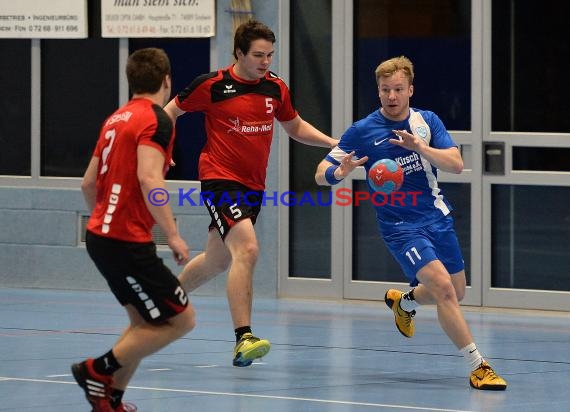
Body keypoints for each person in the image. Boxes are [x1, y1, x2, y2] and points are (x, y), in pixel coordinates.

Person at [315, 56, 507, 390]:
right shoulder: (362, 131)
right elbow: (320, 173)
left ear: (410, 90)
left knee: (456, 291)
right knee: (444, 289)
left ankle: (403, 302)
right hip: (399, 226)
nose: (392, 95)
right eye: (385, 89)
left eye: (398, 89)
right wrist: (339, 172)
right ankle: (479, 366)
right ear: (378, 92)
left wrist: (420, 146)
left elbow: (457, 164)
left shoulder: (426, 122)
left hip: (436, 217)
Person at [164, 19, 337, 367]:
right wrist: (160, 150)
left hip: (253, 188)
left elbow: (295, 126)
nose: (265, 62)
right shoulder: (212, 85)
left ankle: (167, 300)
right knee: (248, 248)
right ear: (239, 53)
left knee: (218, 260)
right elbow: (170, 112)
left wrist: (333, 143)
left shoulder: (275, 88)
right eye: (258, 55)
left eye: (270, 55)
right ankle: (243, 337)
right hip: (219, 180)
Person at [73, 48, 196, 412]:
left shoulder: (116, 118)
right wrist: (172, 233)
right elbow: (148, 177)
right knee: (181, 319)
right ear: (167, 80)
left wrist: (104, 217)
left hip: (100, 236)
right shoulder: (157, 120)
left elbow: (87, 183)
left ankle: (109, 397)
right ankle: (97, 370)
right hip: (124, 241)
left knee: (143, 322)